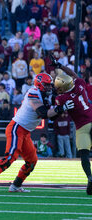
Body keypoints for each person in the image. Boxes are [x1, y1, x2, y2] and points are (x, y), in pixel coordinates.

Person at [0, 72, 74, 193]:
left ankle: (16, 185)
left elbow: (52, 117)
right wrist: (61, 108)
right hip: (17, 127)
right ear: (40, 85)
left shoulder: (45, 95)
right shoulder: (33, 92)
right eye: (46, 85)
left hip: (26, 132)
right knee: (11, 155)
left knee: (32, 160)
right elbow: (42, 113)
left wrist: (62, 107)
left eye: (50, 85)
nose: (49, 88)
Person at [51, 55, 92, 195]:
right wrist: (60, 66)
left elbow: (52, 112)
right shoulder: (80, 83)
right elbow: (72, 74)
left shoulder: (61, 98)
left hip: (82, 127)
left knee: (84, 155)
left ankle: (90, 177)